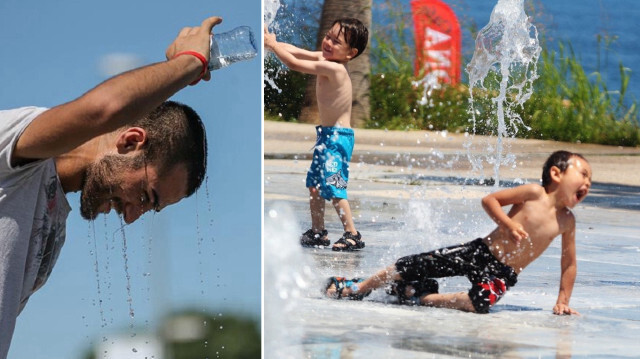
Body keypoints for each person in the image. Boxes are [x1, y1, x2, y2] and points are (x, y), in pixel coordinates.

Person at [0, 16, 222, 358]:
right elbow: (101, 110)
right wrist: (190, 63)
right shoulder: (16, 150)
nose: (132, 217)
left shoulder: (53, 229)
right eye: (146, 196)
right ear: (130, 141)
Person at [326, 150, 592, 315]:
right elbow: (491, 200)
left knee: (480, 303)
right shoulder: (534, 193)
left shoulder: (567, 221)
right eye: (583, 174)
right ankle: (359, 286)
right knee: (414, 264)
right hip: (480, 252)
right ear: (556, 173)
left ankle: (421, 296)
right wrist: (507, 225)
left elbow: (569, 263)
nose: (588, 182)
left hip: (504, 273)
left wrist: (562, 301)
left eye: (590, 179)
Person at [264, 18, 369, 251]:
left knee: (333, 184)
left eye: (336, 41)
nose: (328, 43)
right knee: (314, 185)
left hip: (338, 138)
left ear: (350, 53)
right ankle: (318, 231)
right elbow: (297, 51)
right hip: (326, 136)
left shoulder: (334, 68)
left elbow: (293, 63)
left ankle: (352, 233)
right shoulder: (326, 59)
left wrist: (272, 46)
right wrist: (272, 42)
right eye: (328, 37)